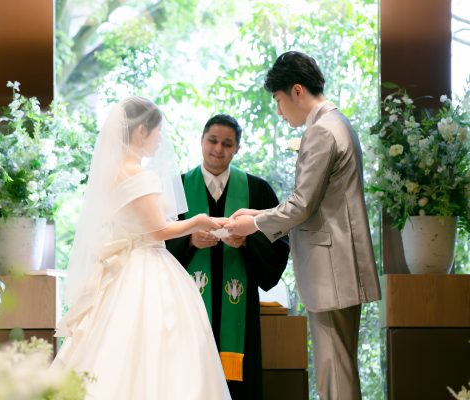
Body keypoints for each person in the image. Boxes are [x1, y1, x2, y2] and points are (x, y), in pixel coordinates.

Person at [51, 97, 232, 400]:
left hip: (121, 268)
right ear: (140, 132)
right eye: (157, 132)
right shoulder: (138, 174)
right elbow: (157, 230)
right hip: (146, 264)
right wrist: (198, 221)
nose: (160, 140)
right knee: (161, 345)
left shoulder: (112, 172)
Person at [225, 51, 381, 400]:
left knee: (334, 371)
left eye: (278, 101)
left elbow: (302, 204)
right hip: (339, 264)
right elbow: (313, 202)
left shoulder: (321, 131)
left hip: (331, 269)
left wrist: (253, 224)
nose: (279, 112)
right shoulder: (338, 123)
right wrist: (256, 215)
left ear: (297, 91)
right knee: (339, 367)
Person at [166, 114, 289, 400]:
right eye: (213, 140)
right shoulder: (177, 189)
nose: (218, 149)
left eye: (227, 144)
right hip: (186, 307)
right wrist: (189, 240)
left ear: (237, 148)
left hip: (239, 313)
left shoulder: (257, 190)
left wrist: (247, 241)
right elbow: (155, 241)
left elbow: (280, 243)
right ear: (201, 140)